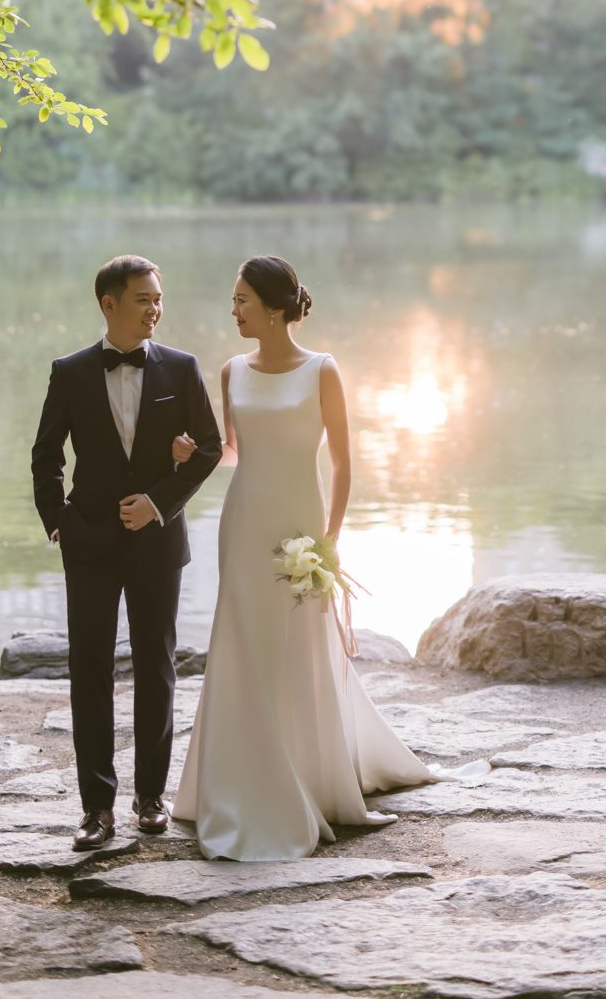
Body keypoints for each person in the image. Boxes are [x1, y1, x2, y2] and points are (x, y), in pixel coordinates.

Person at [172, 253, 435, 860]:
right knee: (243, 640)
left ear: (271, 307)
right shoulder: (231, 370)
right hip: (244, 524)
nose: (232, 310)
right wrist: (192, 452)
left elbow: (342, 462)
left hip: (300, 527)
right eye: (233, 299)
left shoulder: (323, 370)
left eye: (241, 300)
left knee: (299, 644)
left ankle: (312, 775)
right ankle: (240, 781)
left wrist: (330, 540)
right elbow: (237, 451)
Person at [31, 254, 222, 851]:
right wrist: (58, 521)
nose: (155, 309)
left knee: (156, 669)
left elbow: (211, 449)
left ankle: (150, 798)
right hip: (88, 543)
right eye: (143, 299)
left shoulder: (183, 368)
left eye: (158, 298)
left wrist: (160, 502)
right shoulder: (70, 371)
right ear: (109, 305)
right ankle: (96, 809)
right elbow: (45, 455)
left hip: (157, 541)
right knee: (89, 672)